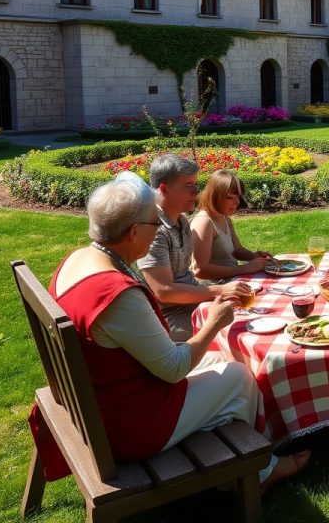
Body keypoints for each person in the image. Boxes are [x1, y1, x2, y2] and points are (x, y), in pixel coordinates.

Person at [45, 174, 309, 488]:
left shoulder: (80, 259)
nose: (158, 231)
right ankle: (261, 471)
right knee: (239, 378)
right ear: (133, 232)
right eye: (154, 225)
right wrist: (213, 322)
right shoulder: (117, 295)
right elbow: (174, 369)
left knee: (223, 358)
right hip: (131, 424)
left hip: (106, 395)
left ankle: (238, 463)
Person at [137, 154, 251, 342]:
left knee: (249, 308)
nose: (197, 192)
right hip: (169, 318)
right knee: (241, 330)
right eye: (188, 186)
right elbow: (164, 292)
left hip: (193, 302)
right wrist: (219, 290)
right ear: (164, 189)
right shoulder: (153, 230)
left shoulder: (181, 221)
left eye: (196, 185)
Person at [190, 169, 277, 280]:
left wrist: (255, 256)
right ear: (215, 196)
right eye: (230, 197)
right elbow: (199, 270)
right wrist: (243, 268)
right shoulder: (204, 222)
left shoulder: (224, 218)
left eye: (238, 197)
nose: (237, 202)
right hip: (213, 287)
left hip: (231, 279)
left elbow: (237, 250)